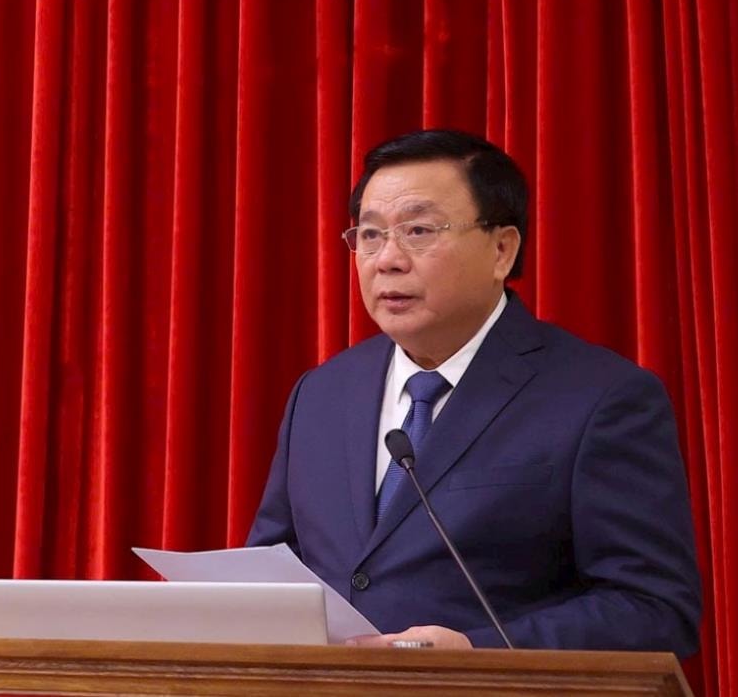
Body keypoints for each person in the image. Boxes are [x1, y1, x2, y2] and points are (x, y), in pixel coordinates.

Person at [247, 129, 701, 654]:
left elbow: (654, 609)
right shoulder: (322, 394)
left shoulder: (601, 398)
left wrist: (478, 651)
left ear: (502, 249)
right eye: (369, 234)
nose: (386, 259)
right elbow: (271, 575)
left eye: (418, 230)